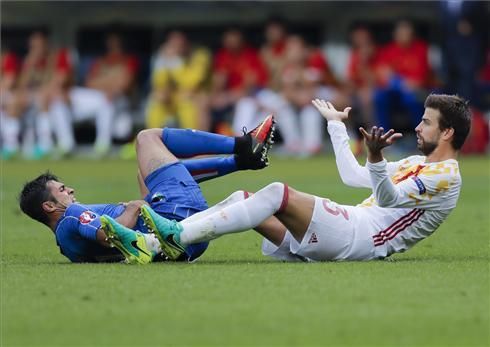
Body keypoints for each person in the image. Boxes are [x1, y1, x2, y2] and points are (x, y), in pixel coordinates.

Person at [140, 94, 471, 262]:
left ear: (447, 132)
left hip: (363, 238)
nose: (417, 126)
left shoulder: (447, 177)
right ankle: (157, 242)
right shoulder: (419, 163)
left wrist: (375, 156)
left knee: (276, 193)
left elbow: (387, 199)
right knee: (245, 199)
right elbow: (354, 177)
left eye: (426, 122)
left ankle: (174, 236)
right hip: (353, 229)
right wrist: (335, 125)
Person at [18, 116, 276, 263]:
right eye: (62, 189)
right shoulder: (72, 214)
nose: (70, 191)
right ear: (49, 206)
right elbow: (109, 236)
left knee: (146, 172)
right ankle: (243, 147)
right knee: (146, 139)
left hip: (177, 245)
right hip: (175, 222)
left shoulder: (67, 248)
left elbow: (110, 249)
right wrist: (133, 207)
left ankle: (241, 161)